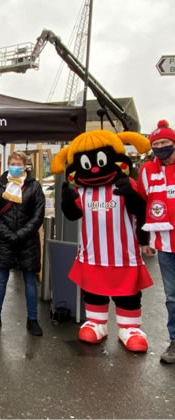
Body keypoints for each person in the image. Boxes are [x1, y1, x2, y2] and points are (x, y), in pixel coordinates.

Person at [52, 129, 153, 352]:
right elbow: (73, 215)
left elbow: (141, 210)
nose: (96, 168)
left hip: (123, 255)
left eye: (101, 161)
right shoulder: (83, 192)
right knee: (94, 291)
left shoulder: (126, 186)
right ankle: (97, 323)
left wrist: (132, 195)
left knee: (127, 293)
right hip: (92, 254)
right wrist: (66, 202)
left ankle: (129, 328)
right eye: (88, 164)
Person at [0, 152, 46, 336]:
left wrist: (19, 234)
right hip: (4, 240)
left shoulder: (34, 186)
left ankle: (33, 319)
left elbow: (38, 215)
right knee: (1, 279)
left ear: (25, 165)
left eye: (18, 163)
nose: (14, 166)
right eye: (11, 163)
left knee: (30, 281)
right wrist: (8, 234)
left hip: (27, 241)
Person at [138, 120, 175, 364]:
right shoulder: (147, 171)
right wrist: (144, 240)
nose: (161, 147)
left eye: (165, 142)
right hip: (165, 245)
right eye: (157, 144)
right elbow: (142, 205)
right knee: (172, 296)